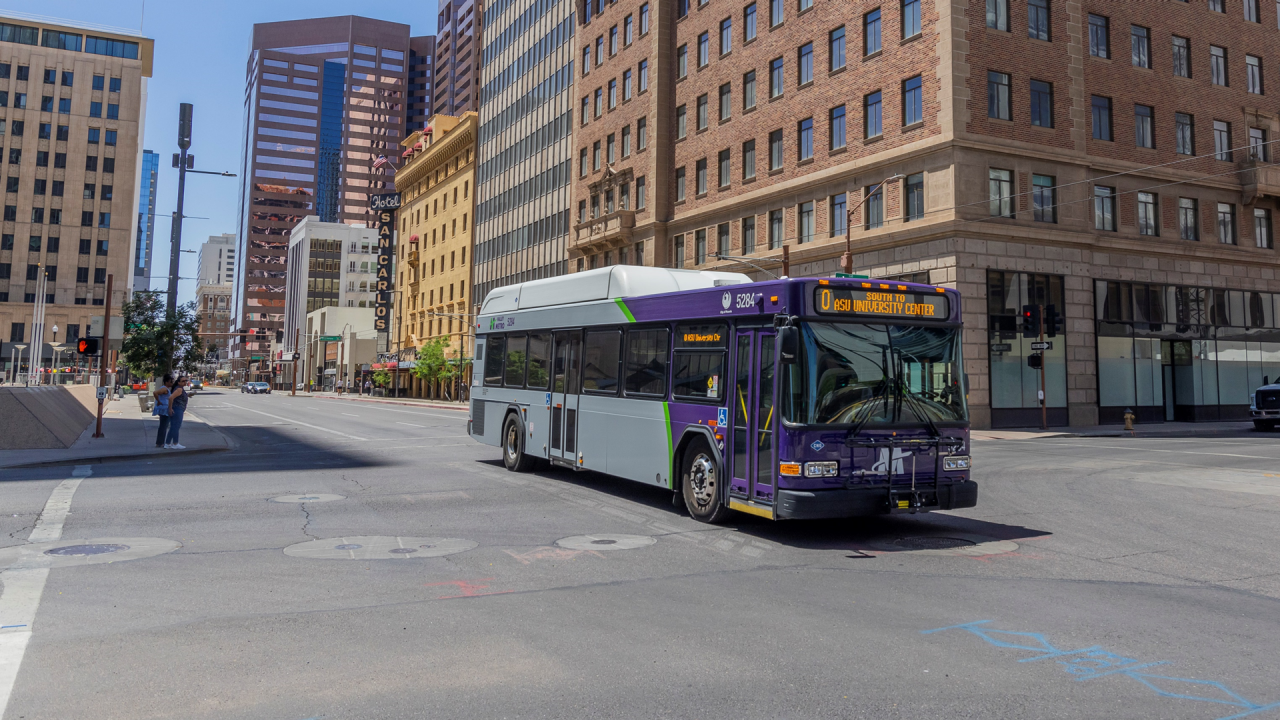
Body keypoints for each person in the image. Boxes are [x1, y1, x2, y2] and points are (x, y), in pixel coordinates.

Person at [165, 376, 190, 449]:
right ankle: (175, 443)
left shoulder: (180, 389)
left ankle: (167, 443)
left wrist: (188, 395)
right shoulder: (179, 389)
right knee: (176, 426)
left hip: (177, 409)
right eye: (183, 381)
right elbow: (170, 398)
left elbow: (179, 397)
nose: (185, 382)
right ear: (178, 382)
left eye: (186, 381)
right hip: (177, 409)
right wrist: (170, 409)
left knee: (173, 427)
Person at [153, 374, 174, 448]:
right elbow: (155, 392)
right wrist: (158, 401)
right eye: (171, 382)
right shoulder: (164, 389)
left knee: (163, 426)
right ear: (167, 381)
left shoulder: (166, 389)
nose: (172, 383)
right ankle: (160, 442)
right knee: (163, 426)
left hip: (164, 408)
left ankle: (160, 442)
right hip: (164, 409)